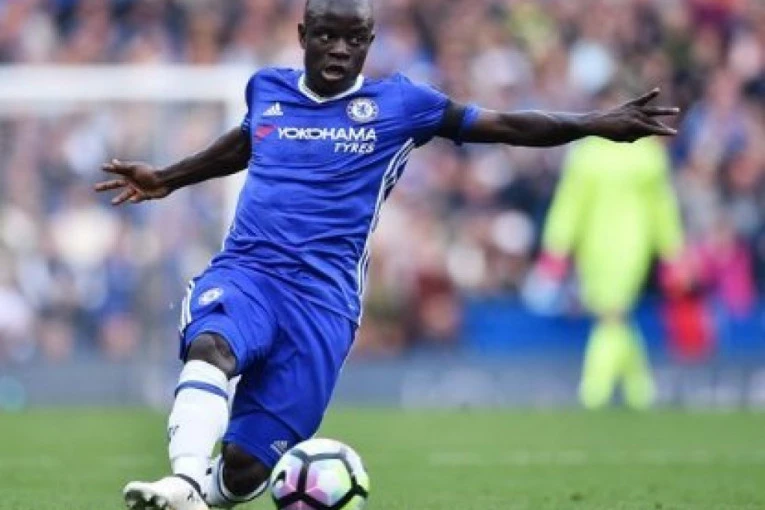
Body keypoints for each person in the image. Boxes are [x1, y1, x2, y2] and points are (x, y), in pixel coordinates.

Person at [95, 0, 679, 509]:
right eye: (326, 35)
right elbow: (249, 141)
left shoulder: (402, 104)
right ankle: (183, 480)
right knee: (213, 345)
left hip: (322, 303)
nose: (339, 49)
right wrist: (167, 178)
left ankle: (201, 493)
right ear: (302, 35)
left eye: (354, 38)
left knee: (247, 468)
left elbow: (505, 124)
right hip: (250, 270)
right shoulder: (267, 89)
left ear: (370, 42)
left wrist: (594, 123)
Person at [538, 88, 684, 410]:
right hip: (603, 245)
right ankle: (639, 388)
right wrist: (557, 248)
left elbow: (661, 207)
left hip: (624, 244)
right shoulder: (597, 155)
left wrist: (672, 252)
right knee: (616, 315)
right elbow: (571, 204)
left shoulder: (640, 155)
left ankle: (595, 390)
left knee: (611, 314)